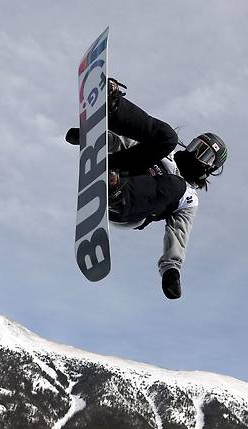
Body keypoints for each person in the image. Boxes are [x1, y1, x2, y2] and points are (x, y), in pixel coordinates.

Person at [66, 79, 227, 299]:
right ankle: (113, 106)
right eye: (196, 147)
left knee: (175, 184)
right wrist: (91, 137)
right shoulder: (167, 153)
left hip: (128, 204)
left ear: (209, 168)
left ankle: (116, 192)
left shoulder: (189, 196)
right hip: (120, 170)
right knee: (168, 137)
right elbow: (126, 144)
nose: (194, 153)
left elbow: (179, 234)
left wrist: (171, 270)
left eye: (203, 154)